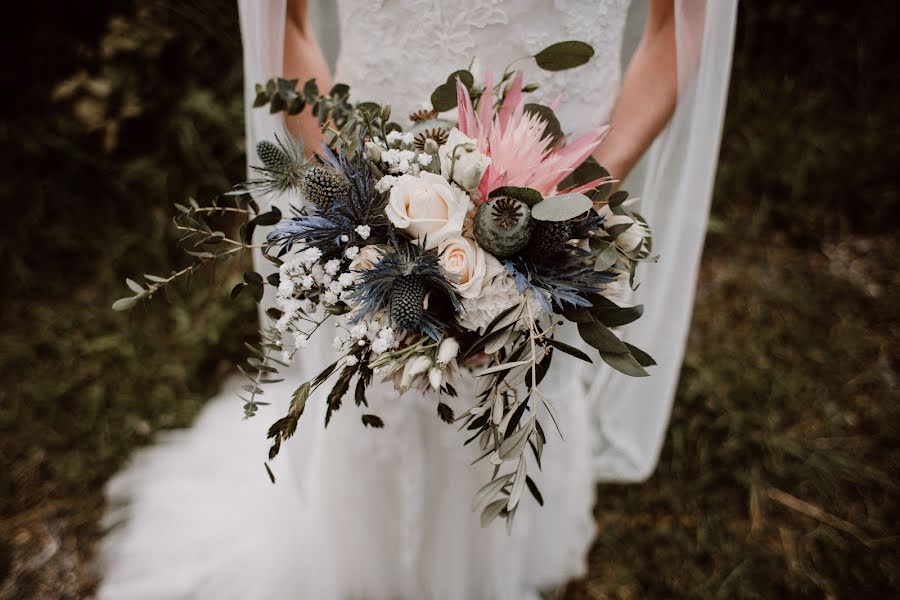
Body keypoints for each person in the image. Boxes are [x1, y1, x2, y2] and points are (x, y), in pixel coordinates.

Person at [97, 1, 736, 598]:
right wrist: (357, 207)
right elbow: (282, 26)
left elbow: (675, 28)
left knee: (515, 390)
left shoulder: (570, 193)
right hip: (373, 157)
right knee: (384, 396)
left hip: (556, 170)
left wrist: (579, 198)